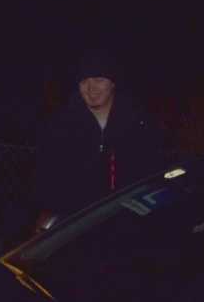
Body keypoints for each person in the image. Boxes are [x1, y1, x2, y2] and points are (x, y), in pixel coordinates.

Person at [34, 49, 166, 227]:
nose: (91, 88)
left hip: (127, 220)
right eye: (84, 81)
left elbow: (151, 174)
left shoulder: (139, 123)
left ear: (112, 83)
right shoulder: (60, 126)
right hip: (74, 222)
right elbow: (47, 178)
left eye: (99, 80)